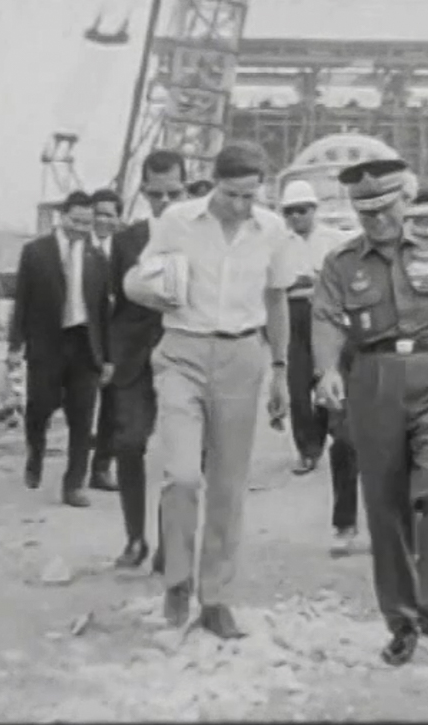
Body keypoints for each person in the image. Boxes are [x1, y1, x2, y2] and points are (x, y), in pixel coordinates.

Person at [312, 158, 428, 665]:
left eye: (384, 208)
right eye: (365, 211)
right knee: (385, 508)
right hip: (373, 382)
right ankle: (403, 621)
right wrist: (326, 370)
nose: (376, 220)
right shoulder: (341, 263)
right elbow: (326, 318)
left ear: (405, 202)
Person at [124, 141, 295, 637]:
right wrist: (153, 291)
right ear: (213, 182)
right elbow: (138, 278)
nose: (239, 205)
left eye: (248, 196)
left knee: (228, 485)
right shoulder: (177, 221)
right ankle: (177, 578)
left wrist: (280, 369)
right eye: (230, 194)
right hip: (183, 351)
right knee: (181, 474)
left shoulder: (273, 230)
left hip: (242, 355)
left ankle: (215, 596)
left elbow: (278, 300)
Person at [106, 150, 187, 569]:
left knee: (180, 455)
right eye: (157, 194)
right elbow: (111, 306)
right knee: (129, 443)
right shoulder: (125, 242)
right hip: (135, 359)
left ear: (186, 189)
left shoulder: (200, 238)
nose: (165, 202)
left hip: (184, 358)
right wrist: (109, 357)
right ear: (143, 192)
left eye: (174, 193)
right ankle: (135, 538)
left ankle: (169, 543)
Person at [8, 190, 112, 508]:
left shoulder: (98, 258)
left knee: (82, 417)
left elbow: (103, 313)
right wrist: (15, 345)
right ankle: (35, 454)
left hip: (85, 346)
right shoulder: (35, 252)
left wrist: (108, 357)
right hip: (47, 345)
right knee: (39, 408)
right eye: (76, 221)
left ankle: (74, 485)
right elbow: (21, 301)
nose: (81, 228)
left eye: (87, 223)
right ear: (63, 217)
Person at [282, 179, 350, 476]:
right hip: (292, 314)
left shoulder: (333, 240)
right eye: (290, 212)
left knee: (325, 378)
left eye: (302, 210)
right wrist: (302, 281)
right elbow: (274, 284)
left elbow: (340, 279)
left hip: (325, 314)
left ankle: (321, 439)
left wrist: (313, 281)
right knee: (297, 387)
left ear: (314, 209)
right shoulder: (279, 242)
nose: (296, 217)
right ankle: (306, 449)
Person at [87, 188, 124, 493]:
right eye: (97, 214)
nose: (102, 220)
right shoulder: (76, 246)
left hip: (114, 338)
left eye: (109, 215)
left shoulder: (124, 250)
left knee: (112, 405)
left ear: (118, 219)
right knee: (80, 403)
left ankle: (101, 467)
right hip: (81, 336)